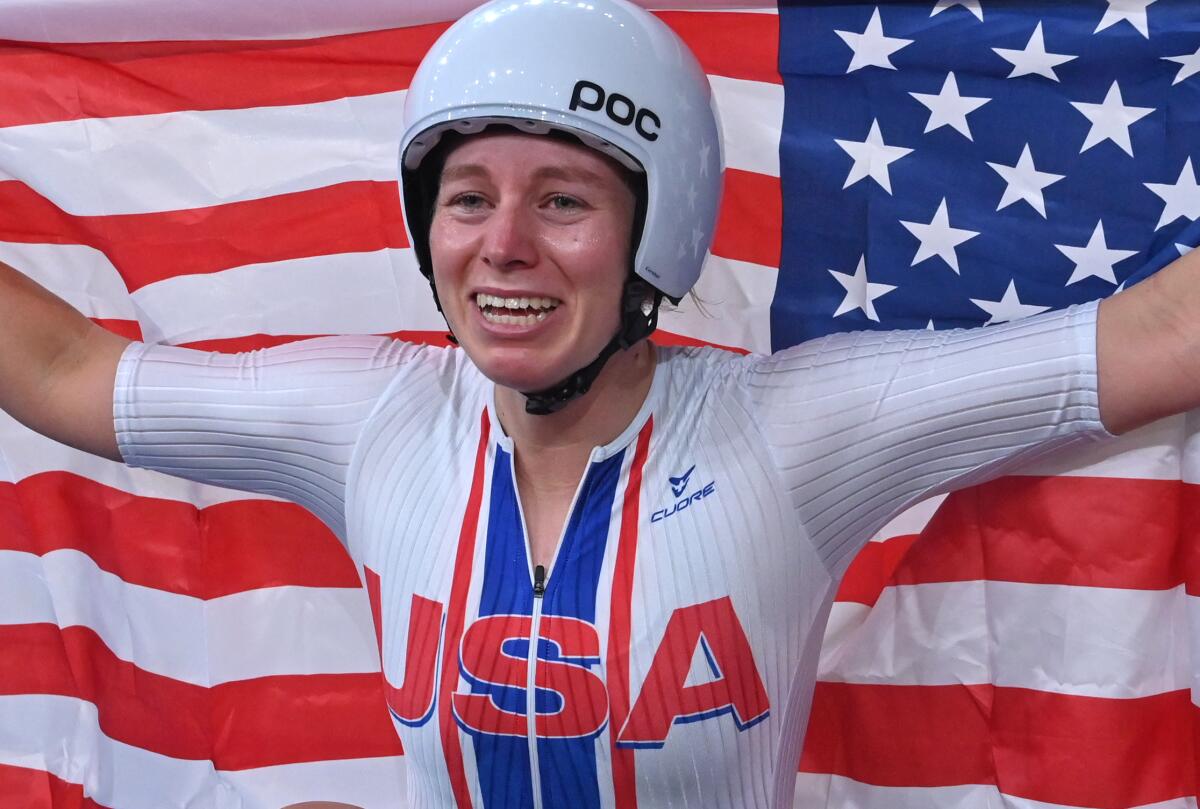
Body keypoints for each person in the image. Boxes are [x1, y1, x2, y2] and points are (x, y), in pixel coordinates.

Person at [0, 0, 1191, 806]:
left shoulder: (796, 431)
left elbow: (1156, 336)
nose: (503, 246)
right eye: (466, 198)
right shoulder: (362, 415)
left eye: (562, 200)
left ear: (654, 230)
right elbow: (64, 371)